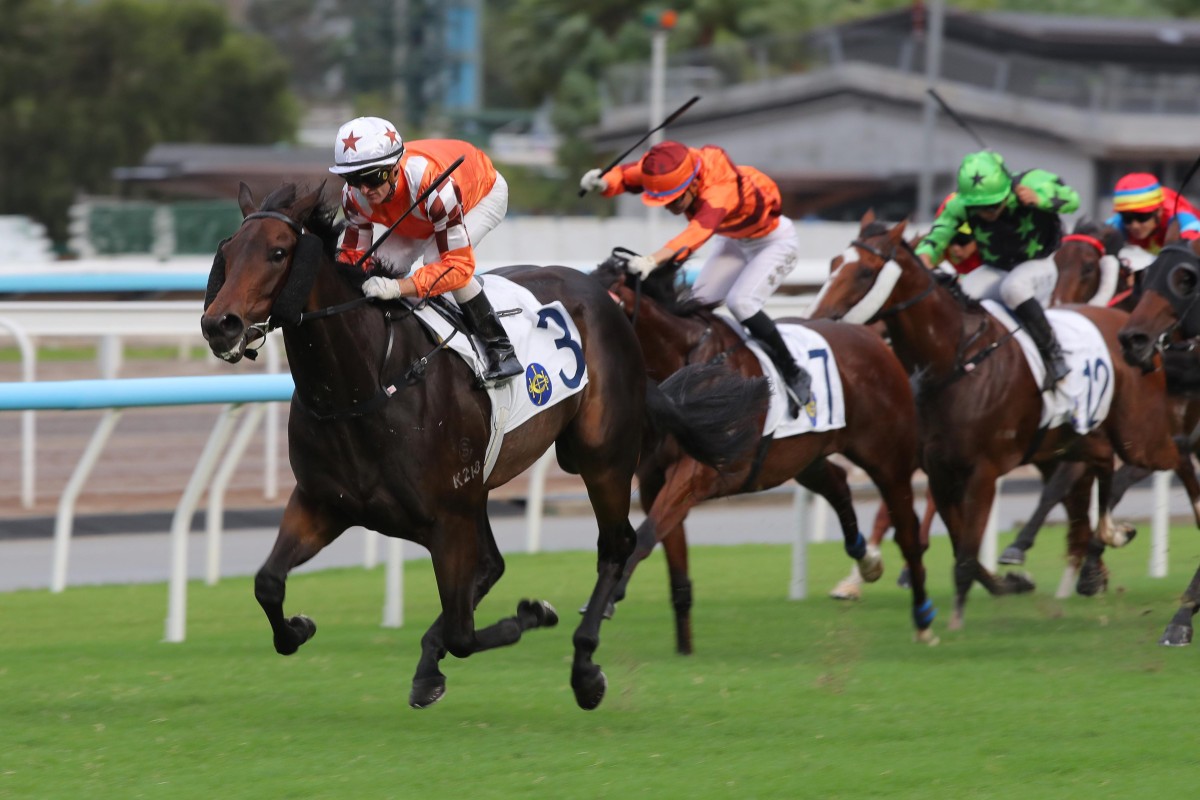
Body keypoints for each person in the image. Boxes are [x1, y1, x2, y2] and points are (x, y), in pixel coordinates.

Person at [579, 140, 810, 413]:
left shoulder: (720, 189)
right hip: (735, 240)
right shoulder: (676, 168)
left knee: (742, 303)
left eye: (675, 199)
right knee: (698, 305)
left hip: (773, 242)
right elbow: (631, 175)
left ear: (693, 184)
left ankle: (793, 370)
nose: (671, 207)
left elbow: (697, 234)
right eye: (665, 201)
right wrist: (605, 183)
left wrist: (654, 259)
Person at [329, 115, 522, 386]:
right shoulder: (354, 196)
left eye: (372, 178)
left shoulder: (433, 184)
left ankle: (501, 350)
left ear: (394, 168)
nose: (363, 189)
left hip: (480, 193)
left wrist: (399, 288)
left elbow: (458, 266)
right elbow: (352, 258)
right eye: (352, 178)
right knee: (381, 266)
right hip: (420, 213)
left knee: (436, 262)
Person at [915, 150, 1080, 391]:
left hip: (1039, 264)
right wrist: (924, 259)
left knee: (1014, 288)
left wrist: (1041, 199)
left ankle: (1053, 354)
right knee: (960, 295)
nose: (987, 214)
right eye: (979, 208)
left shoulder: (1032, 181)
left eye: (993, 205)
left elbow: (1073, 200)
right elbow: (939, 235)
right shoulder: (959, 203)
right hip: (997, 268)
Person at [1106, 172, 1200, 255]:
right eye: (1127, 218)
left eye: (1142, 216)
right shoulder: (1120, 220)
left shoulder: (1180, 217)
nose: (1135, 226)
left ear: (1159, 211)